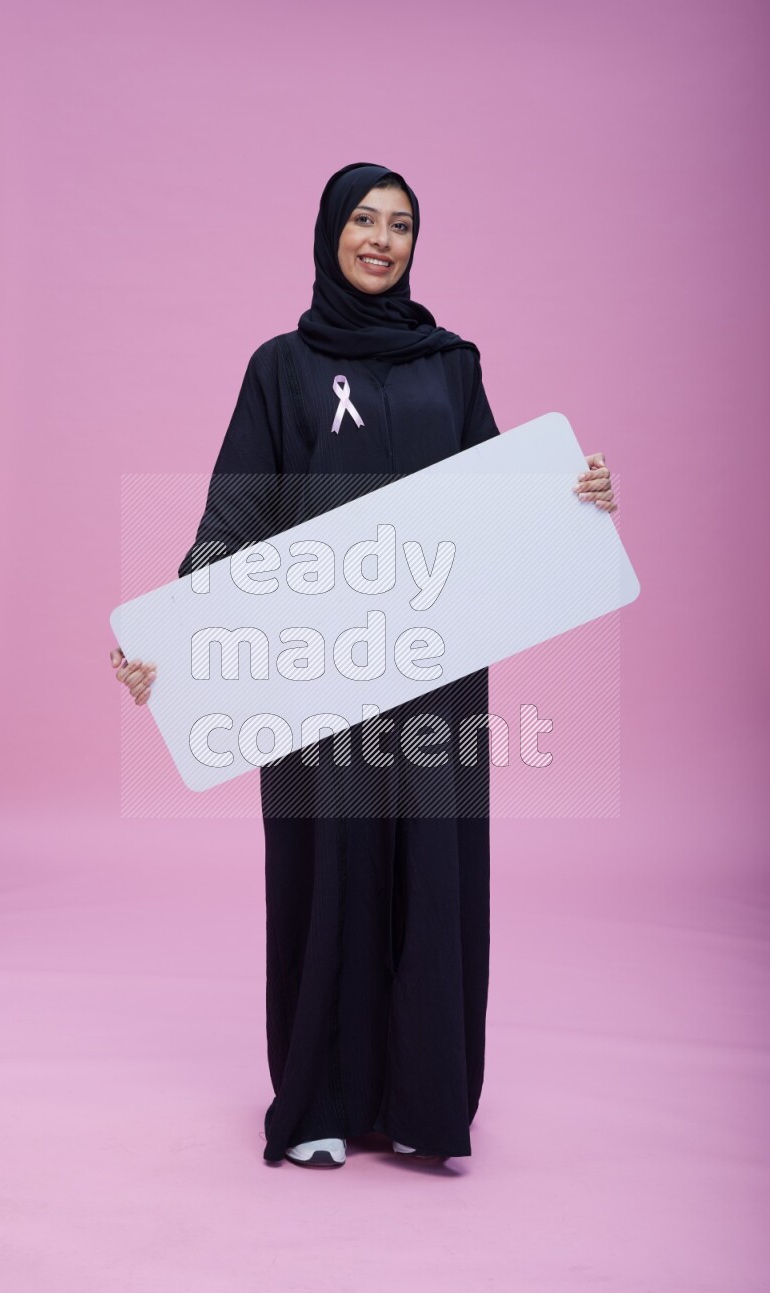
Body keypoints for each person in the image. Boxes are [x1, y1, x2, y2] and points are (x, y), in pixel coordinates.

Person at [110, 162, 616, 1170]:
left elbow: (500, 504)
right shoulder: (281, 368)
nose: (381, 240)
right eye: (364, 220)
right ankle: (322, 1101)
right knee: (326, 868)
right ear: (329, 232)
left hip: (435, 668)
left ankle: (426, 1104)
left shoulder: (452, 366)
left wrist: (576, 496)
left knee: (431, 870)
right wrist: (177, 636)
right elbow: (236, 516)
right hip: (313, 669)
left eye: (401, 225)